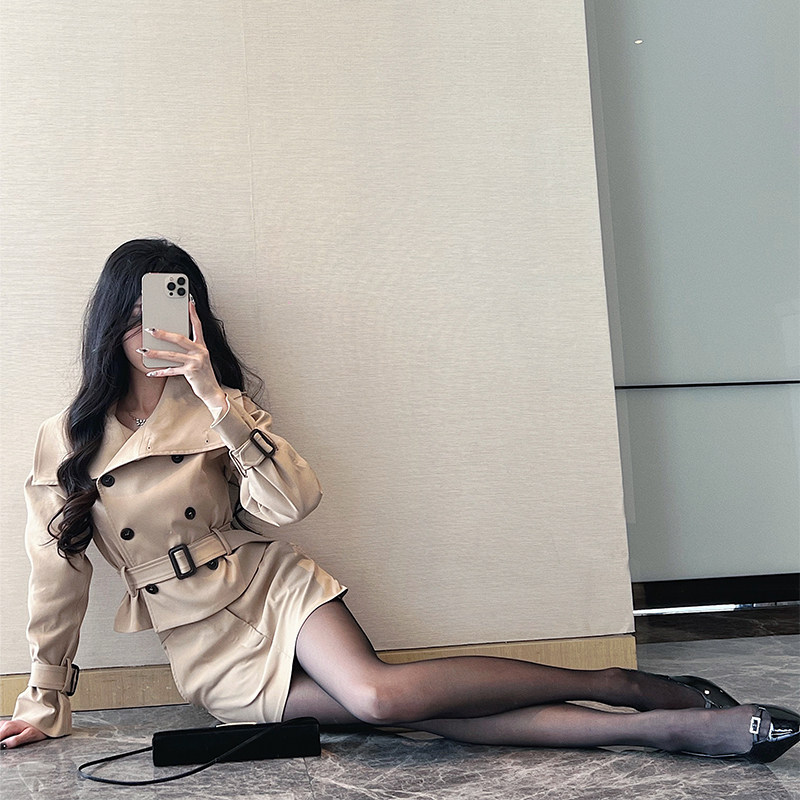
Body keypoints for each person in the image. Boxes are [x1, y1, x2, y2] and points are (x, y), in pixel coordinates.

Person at [1, 238, 797, 764]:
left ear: (196, 319)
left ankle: (643, 699)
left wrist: (214, 395)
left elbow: (292, 504)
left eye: (172, 311)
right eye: (137, 316)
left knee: (379, 694)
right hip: (205, 650)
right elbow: (56, 578)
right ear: (111, 322)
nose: (152, 331)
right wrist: (45, 698)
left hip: (267, 588)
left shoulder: (221, 405)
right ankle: (662, 716)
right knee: (408, 713)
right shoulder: (66, 439)